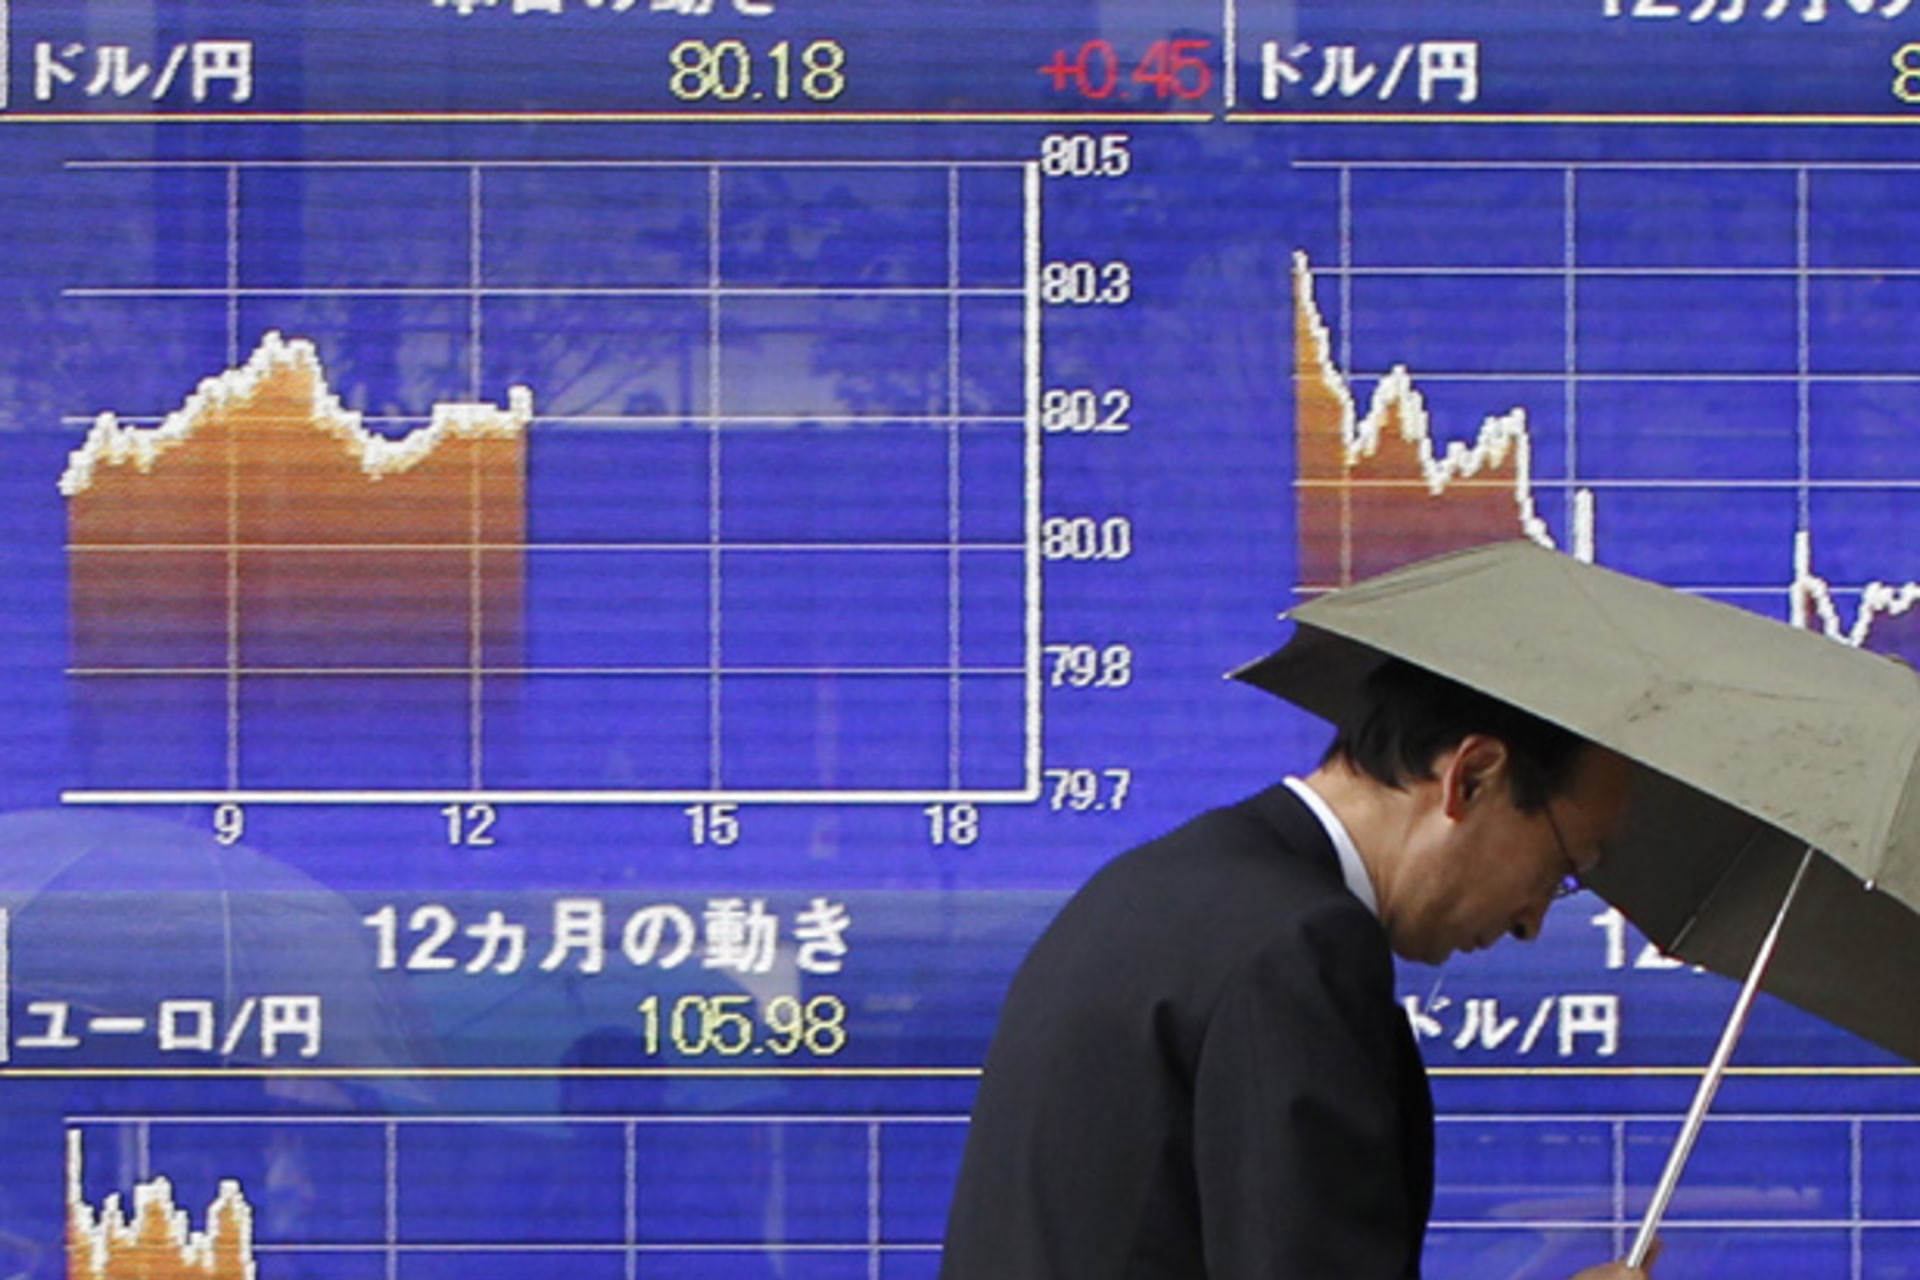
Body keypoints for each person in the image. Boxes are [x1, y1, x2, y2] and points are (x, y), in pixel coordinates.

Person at [938, 659, 1653, 1279]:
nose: (1532, 921)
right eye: (1563, 866)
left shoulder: (1153, 887)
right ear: (1472, 777)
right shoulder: (1300, 945)